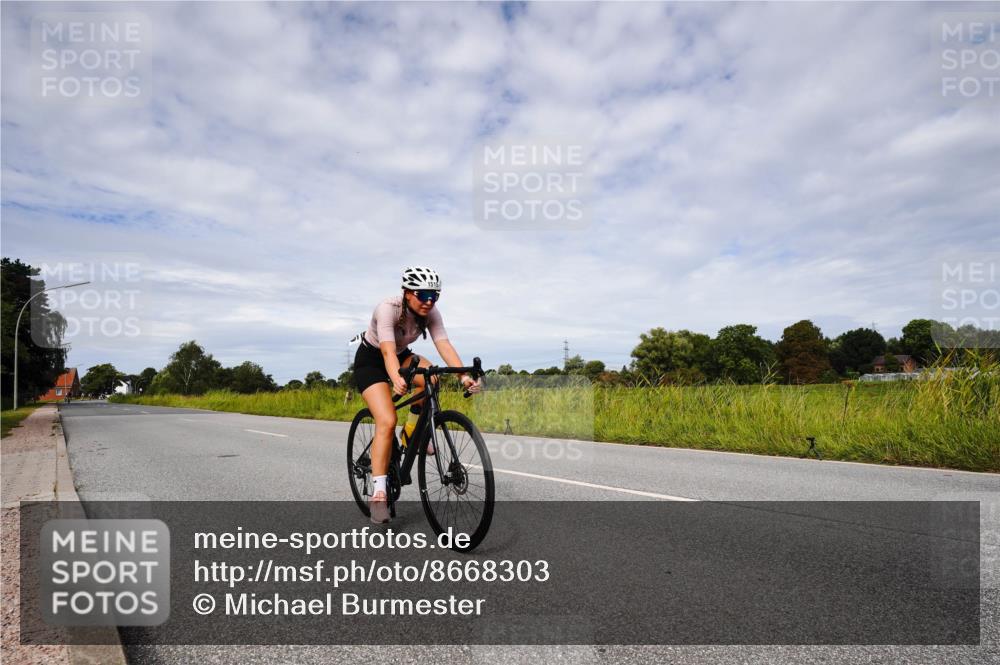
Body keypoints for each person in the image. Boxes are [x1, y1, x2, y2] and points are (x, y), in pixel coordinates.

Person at [353, 266, 481, 524]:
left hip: (401, 356)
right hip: (372, 359)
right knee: (386, 420)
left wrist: (464, 377)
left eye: (435, 295)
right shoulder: (388, 309)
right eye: (423, 295)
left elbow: (443, 344)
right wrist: (396, 378)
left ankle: (412, 433)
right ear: (408, 292)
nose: (430, 301)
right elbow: (387, 352)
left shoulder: (431, 312)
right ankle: (379, 495)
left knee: (431, 377)